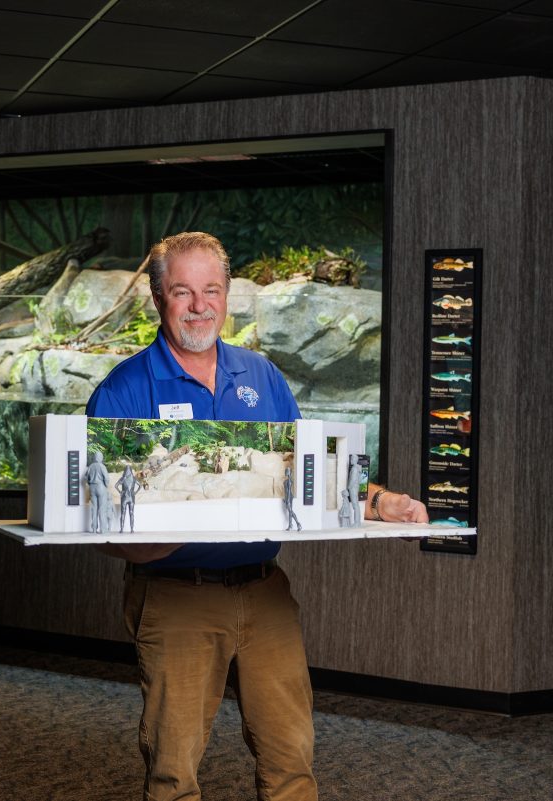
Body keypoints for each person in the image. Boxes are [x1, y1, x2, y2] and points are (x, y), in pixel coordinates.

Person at [86, 231, 426, 801]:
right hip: (176, 595)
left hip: (265, 592)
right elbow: (96, 523)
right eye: (182, 292)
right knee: (174, 772)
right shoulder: (122, 391)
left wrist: (376, 501)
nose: (200, 306)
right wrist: (140, 545)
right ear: (156, 298)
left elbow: (306, 473)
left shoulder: (262, 376)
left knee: (291, 758)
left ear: (228, 295)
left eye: (211, 289)